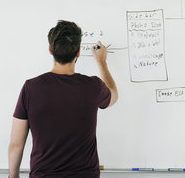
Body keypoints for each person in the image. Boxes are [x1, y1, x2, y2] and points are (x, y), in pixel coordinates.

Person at [8, 20, 118, 178]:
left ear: (50, 50)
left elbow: (16, 144)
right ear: (78, 52)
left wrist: (13, 176)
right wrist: (101, 62)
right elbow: (113, 95)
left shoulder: (31, 88)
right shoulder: (93, 86)